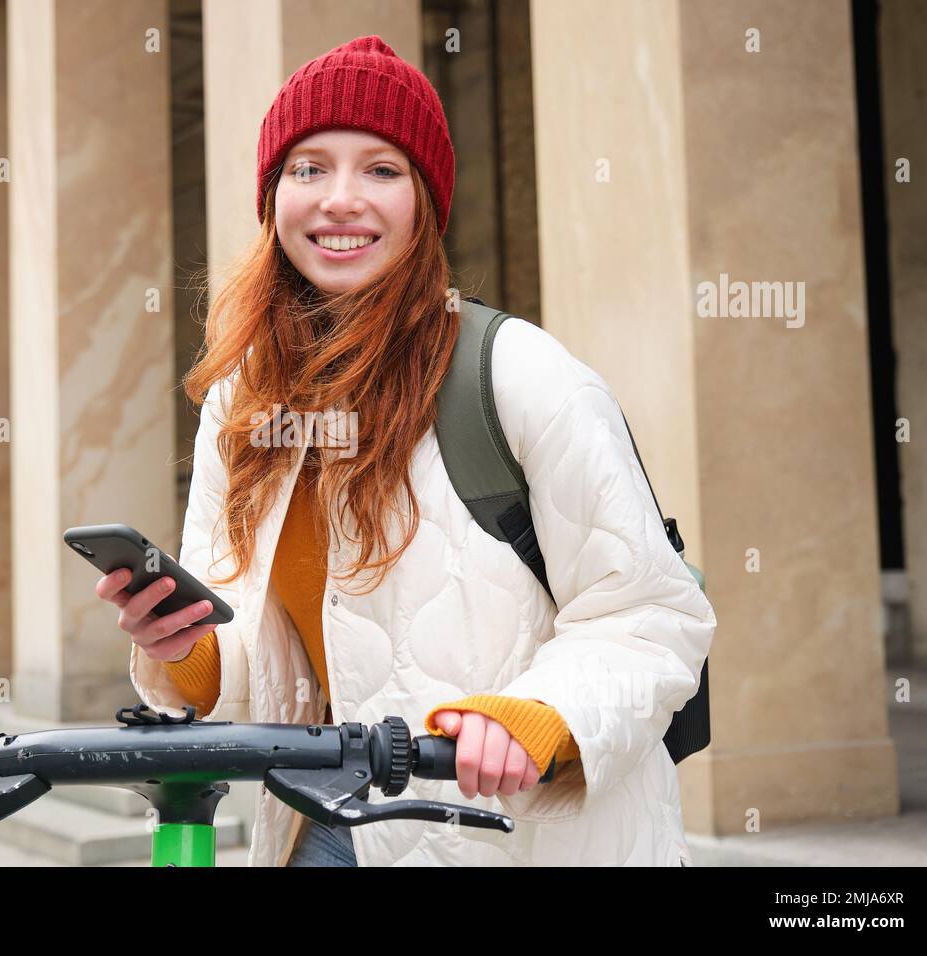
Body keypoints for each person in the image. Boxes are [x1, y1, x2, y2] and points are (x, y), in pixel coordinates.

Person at [100, 35, 715, 866]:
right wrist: (186, 648)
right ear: (273, 194)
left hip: (516, 835)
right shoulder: (242, 401)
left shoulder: (519, 373)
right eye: (308, 168)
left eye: (381, 170)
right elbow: (259, 649)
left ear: (426, 200)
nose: (339, 200)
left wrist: (538, 715)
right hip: (317, 824)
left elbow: (654, 613)